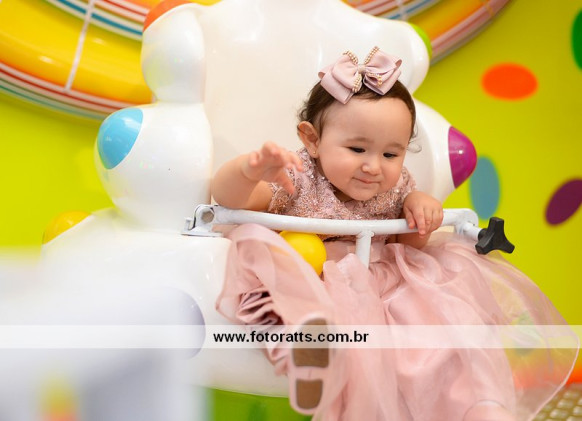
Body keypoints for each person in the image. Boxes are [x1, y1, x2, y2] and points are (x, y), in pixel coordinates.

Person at [212, 47, 577, 421]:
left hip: (381, 282)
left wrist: (419, 209)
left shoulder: (397, 187)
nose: (373, 166)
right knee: (277, 267)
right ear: (312, 140)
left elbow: (409, 246)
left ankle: (478, 406)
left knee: (444, 320)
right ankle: (314, 361)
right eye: (357, 148)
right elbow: (231, 200)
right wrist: (249, 170)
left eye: (390, 154)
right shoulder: (297, 176)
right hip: (314, 277)